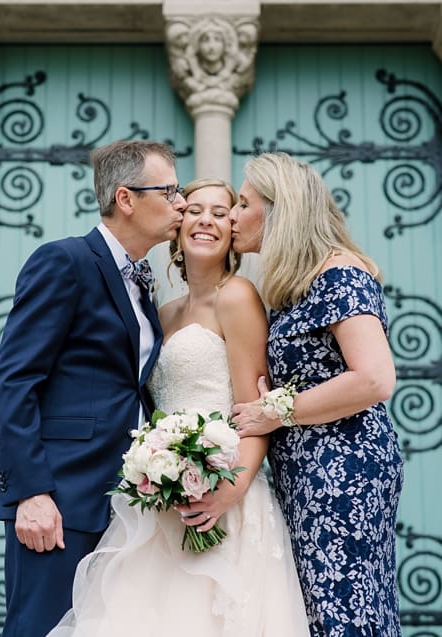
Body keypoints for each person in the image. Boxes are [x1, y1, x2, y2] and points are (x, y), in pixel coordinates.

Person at [49, 179, 308, 636]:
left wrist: (230, 490)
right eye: (194, 210)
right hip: (159, 502)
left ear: (232, 230)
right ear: (178, 224)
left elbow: (256, 412)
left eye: (220, 212)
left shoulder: (239, 297)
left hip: (226, 499)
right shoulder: (162, 312)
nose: (206, 220)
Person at [0, 140, 186, 637]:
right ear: (126, 199)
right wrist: (31, 492)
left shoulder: (143, 284)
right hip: (60, 496)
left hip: (123, 501)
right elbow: (14, 380)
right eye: (171, 191)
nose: (181, 203)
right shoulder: (65, 261)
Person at [229, 152, 403, 636]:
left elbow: (373, 378)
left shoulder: (338, 273)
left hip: (343, 468)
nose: (233, 215)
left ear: (278, 209)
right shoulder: (295, 285)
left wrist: (276, 411)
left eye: (244, 204)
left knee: (344, 609)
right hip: (307, 469)